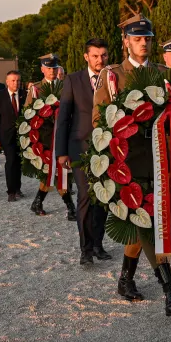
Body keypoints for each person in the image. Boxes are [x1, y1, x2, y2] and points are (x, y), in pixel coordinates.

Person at [94, 15, 171, 316]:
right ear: (126, 42)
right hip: (125, 162)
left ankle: (125, 279)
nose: (143, 42)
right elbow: (98, 122)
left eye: (147, 38)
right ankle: (170, 287)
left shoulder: (163, 73)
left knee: (142, 226)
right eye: (137, 38)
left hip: (159, 160)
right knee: (147, 226)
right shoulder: (112, 76)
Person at [56, 38, 112, 264]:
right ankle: (86, 249)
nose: (100, 59)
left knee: (104, 197)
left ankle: (98, 244)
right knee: (85, 195)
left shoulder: (113, 78)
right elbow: (64, 117)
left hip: (108, 148)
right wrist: (61, 152)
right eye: (96, 56)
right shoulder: (72, 80)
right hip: (79, 147)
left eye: (104, 55)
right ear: (86, 57)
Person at [25, 53, 75, 218]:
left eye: (54, 67)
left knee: (63, 171)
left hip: (62, 135)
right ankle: (70, 207)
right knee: (49, 171)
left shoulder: (65, 86)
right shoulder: (36, 89)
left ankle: (39, 202)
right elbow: (27, 114)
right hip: (43, 138)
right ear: (42, 69)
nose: (52, 71)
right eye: (48, 68)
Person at [0, 70, 27, 202]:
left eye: (18, 80)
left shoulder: (25, 95)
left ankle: (18, 188)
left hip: (23, 136)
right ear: (7, 82)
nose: (16, 83)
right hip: (6, 136)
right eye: (13, 80)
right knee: (10, 161)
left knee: (18, 162)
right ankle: (11, 191)